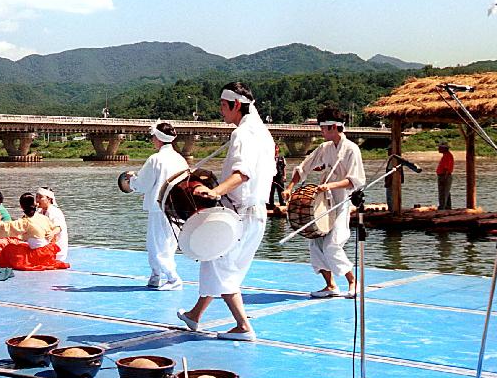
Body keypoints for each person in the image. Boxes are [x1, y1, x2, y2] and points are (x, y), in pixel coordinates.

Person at [176, 82, 275, 342]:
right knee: (216, 261)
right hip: (255, 212)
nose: (220, 110)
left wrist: (216, 191)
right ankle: (195, 315)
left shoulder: (243, 135)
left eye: (223, 105)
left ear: (236, 105)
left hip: (239, 214)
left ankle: (243, 326)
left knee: (222, 265)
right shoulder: (262, 132)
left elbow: (242, 173)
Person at [285, 104, 365, 299]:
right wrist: (290, 187)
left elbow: (355, 180)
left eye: (323, 127)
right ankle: (330, 286)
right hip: (323, 203)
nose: (321, 131)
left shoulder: (351, 150)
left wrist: (330, 186)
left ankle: (353, 281)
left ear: (334, 127)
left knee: (332, 244)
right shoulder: (325, 148)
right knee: (316, 244)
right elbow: (305, 167)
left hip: (341, 201)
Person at [124, 121, 189, 290]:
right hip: (177, 207)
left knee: (157, 244)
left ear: (158, 138)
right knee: (168, 243)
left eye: (153, 137)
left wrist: (132, 179)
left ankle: (173, 278)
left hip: (160, 207)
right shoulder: (181, 159)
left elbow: (143, 184)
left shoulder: (155, 159)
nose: (152, 139)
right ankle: (156, 276)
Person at [0, 193, 69, 271]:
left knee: (8, 249)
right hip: (48, 252)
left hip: (37, 254)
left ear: (21, 206)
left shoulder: (25, 222)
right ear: (35, 204)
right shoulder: (43, 218)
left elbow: (5, 228)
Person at [36, 187, 68, 262]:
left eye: (40, 197)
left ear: (49, 199)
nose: (37, 200)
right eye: (36, 197)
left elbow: (59, 228)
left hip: (57, 252)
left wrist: (52, 233)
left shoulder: (54, 211)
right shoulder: (39, 211)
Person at [436, 141, 454, 210]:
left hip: (444, 176)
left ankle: (442, 208)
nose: (438, 149)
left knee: (443, 193)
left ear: (444, 149)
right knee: (446, 192)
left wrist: (444, 178)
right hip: (444, 175)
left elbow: (446, 169)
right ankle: (447, 207)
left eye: (440, 148)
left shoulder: (447, 156)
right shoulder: (446, 155)